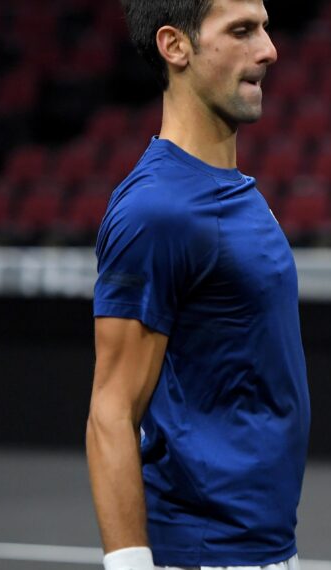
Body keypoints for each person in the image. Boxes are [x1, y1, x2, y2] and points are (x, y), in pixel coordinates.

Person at [85, 1, 309, 569]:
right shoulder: (155, 210)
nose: (269, 50)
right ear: (175, 46)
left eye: (264, 28)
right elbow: (111, 411)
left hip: (261, 547)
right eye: (241, 31)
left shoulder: (232, 189)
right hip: (203, 553)